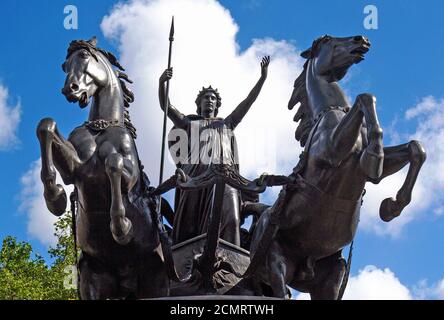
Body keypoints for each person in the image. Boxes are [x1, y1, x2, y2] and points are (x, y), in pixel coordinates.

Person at [158, 56, 270, 246]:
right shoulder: (189, 123)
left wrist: (262, 78)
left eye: (213, 98)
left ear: (217, 104)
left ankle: (228, 255)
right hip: (195, 177)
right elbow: (166, 107)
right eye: (205, 98)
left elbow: (248, 102)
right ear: (199, 103)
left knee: (228, 215)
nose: (209, 101)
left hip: (224, 176)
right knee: (189, 225)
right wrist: (161, 83)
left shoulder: (227, 123)